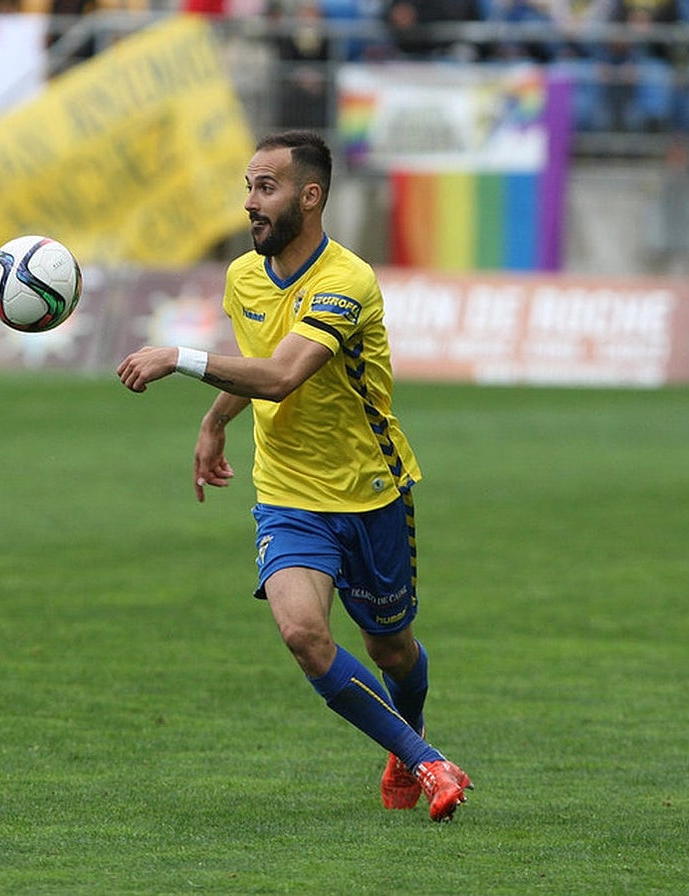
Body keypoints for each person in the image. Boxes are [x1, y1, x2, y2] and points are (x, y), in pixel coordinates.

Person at [117, 130, 473, 822]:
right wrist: (218, 420)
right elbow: (257, 361)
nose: (250, 202)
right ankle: (430, 763)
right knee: (304, 634)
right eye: (248, 187)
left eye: (265, 187)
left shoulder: (347, 281)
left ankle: (409, 739)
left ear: (309, 197)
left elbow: (283, 376)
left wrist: (178, 357)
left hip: (369, 491)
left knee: (391, 648)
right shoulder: (244, 276)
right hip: (286, 496)